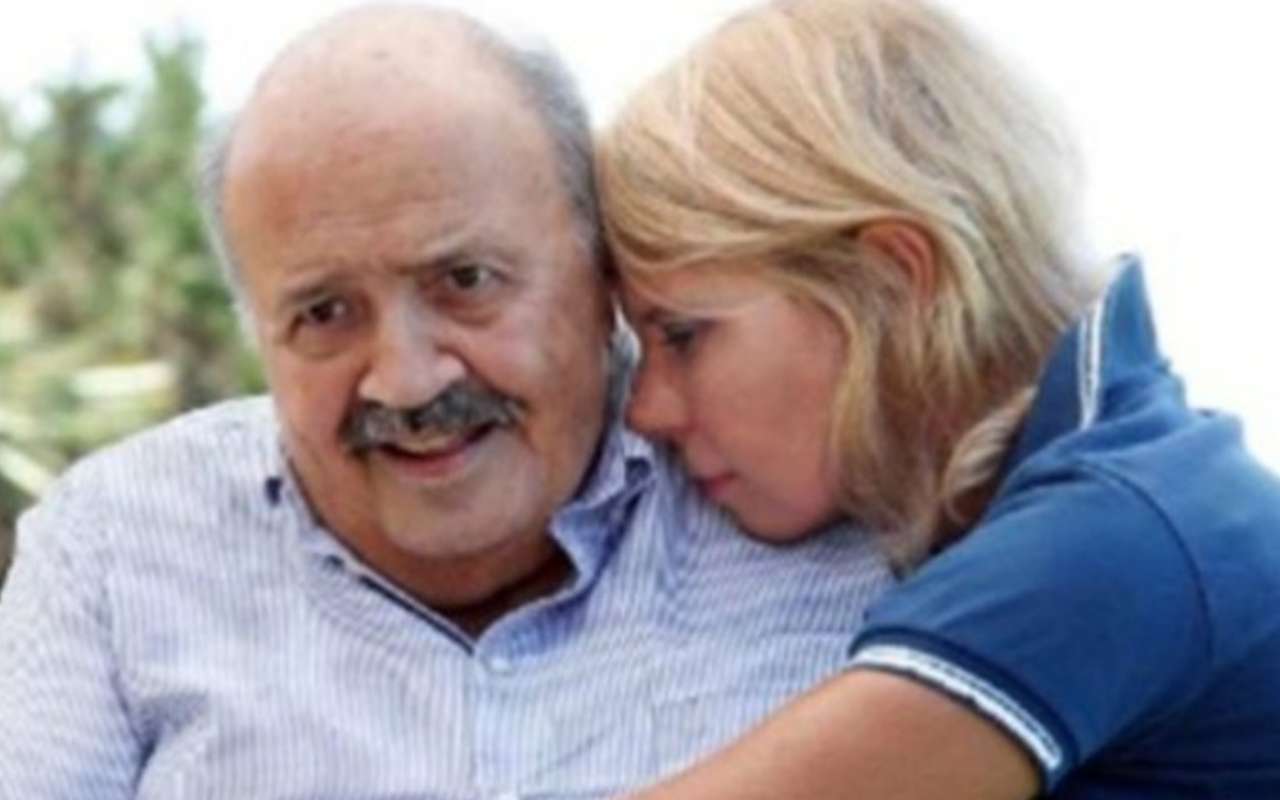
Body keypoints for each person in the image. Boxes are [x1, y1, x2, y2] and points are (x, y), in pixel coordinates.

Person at [0, 5, 895, 797]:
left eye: (466, 281)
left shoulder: (813, 489)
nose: (407, 380)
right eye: (325, 314)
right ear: (257, 336)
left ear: (600, 276)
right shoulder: (114, 551)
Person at [595, 0, 1280, 797]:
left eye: (683, 336)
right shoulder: (1142, 480)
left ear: (894, 278)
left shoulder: (1111, 538)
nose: (646, 410)